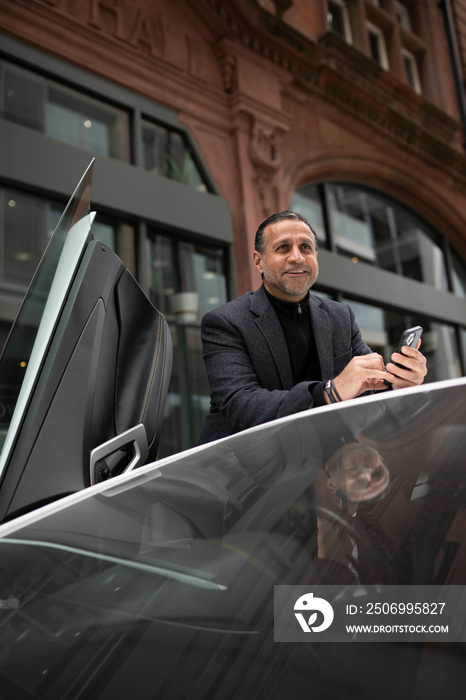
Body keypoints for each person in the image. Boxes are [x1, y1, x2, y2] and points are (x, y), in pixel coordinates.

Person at [198, 210, 427, 444]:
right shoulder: (225, 322)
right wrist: (330, 392)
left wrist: (399, 382)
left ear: (316, 256)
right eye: (283, 248)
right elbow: (242, 407)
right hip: (242, 468)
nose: (297, 257)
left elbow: (371, 390)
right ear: (259, 261)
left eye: (306, 247)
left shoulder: (340, 317)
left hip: (325, 464)